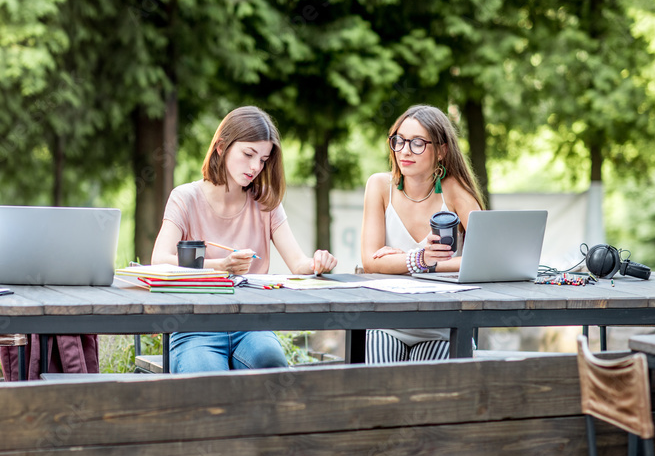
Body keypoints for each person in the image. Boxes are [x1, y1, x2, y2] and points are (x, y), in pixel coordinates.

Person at [151, 105, 338, 372]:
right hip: (194, 327)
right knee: (208, 380)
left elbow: (298, 264)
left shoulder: (266, 202)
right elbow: (159, 261)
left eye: (263, 159)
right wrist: (220, 267)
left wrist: (318, 263)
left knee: (271, 365)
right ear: (221, 147)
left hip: (252, 325)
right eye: (248, 154)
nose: (255, 167)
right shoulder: (185, 198)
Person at [360, 104, 484, 363]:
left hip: (442, 325)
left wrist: (411, 261)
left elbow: (484, 262)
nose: (405, 150)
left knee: (426, 398)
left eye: (417, 143)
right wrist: (421, 259)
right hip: (388, 322)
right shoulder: (380, 186)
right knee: (385, 392)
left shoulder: (455, 191)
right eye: (399, 141)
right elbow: (370, 261)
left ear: (441, 150)